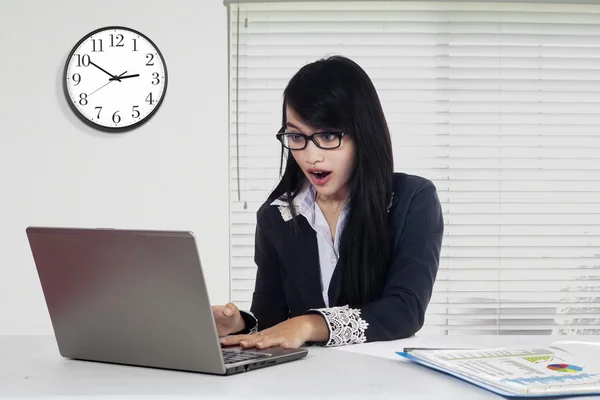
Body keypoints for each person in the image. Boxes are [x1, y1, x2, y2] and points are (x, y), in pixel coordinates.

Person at [213, 55, 444, 349]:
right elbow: (273, 322)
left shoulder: (412, 199)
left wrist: (309, 323)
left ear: (363, 134)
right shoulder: (276, 216)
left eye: (328, 135)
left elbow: (405, 310)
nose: (311, 156)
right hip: (306, 381)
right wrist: (240, 324)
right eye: (296, 136)